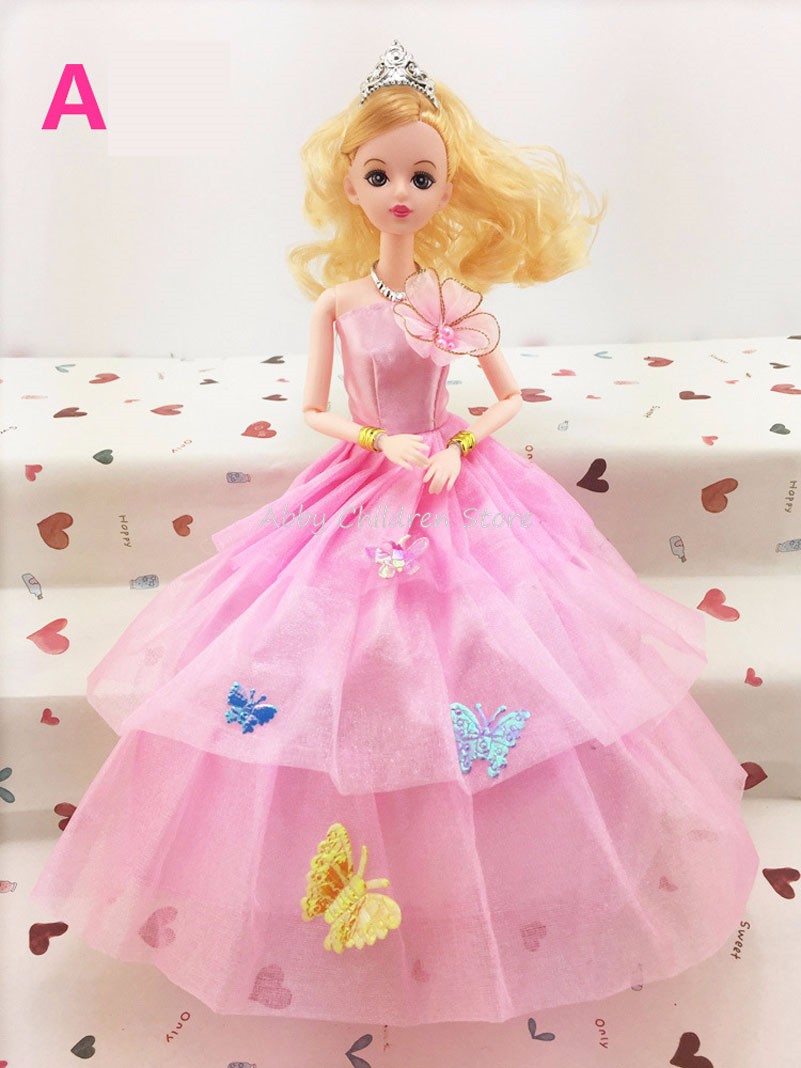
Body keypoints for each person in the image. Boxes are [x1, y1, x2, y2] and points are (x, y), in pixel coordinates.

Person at [31, 41, 759, 1027]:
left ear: (448, 186)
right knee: (334, 643)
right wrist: (384, 442)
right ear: (349, 187)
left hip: (456, 475)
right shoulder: (337, 303)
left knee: (495, 644)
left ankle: (481, 888)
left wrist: (458, 442)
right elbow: (315, 409)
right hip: (369, 478)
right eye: (379, 175)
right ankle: (359, 892)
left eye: (420, 175)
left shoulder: (453, 300)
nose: (400, 192)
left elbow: (508, 397)